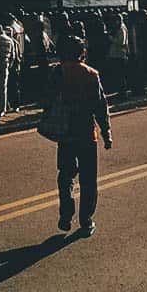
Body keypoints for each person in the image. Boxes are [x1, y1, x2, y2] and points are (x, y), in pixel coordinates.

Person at [47, 36, 112, 238]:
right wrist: (106, 132)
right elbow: (100, 106)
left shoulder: (57, 72)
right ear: (82, 53)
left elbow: (46, 99)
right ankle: (86, 220)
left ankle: (66, 214)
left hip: (65, 132)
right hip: (86, 132)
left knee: (65, 175)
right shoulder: (91, 74)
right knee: (88, 179)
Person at [0, 19, 15, 123]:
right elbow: (13, 56)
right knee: (3, 88)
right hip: (5, 65)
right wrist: (9, 65)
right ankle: (3, 108)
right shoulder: (9, 40)